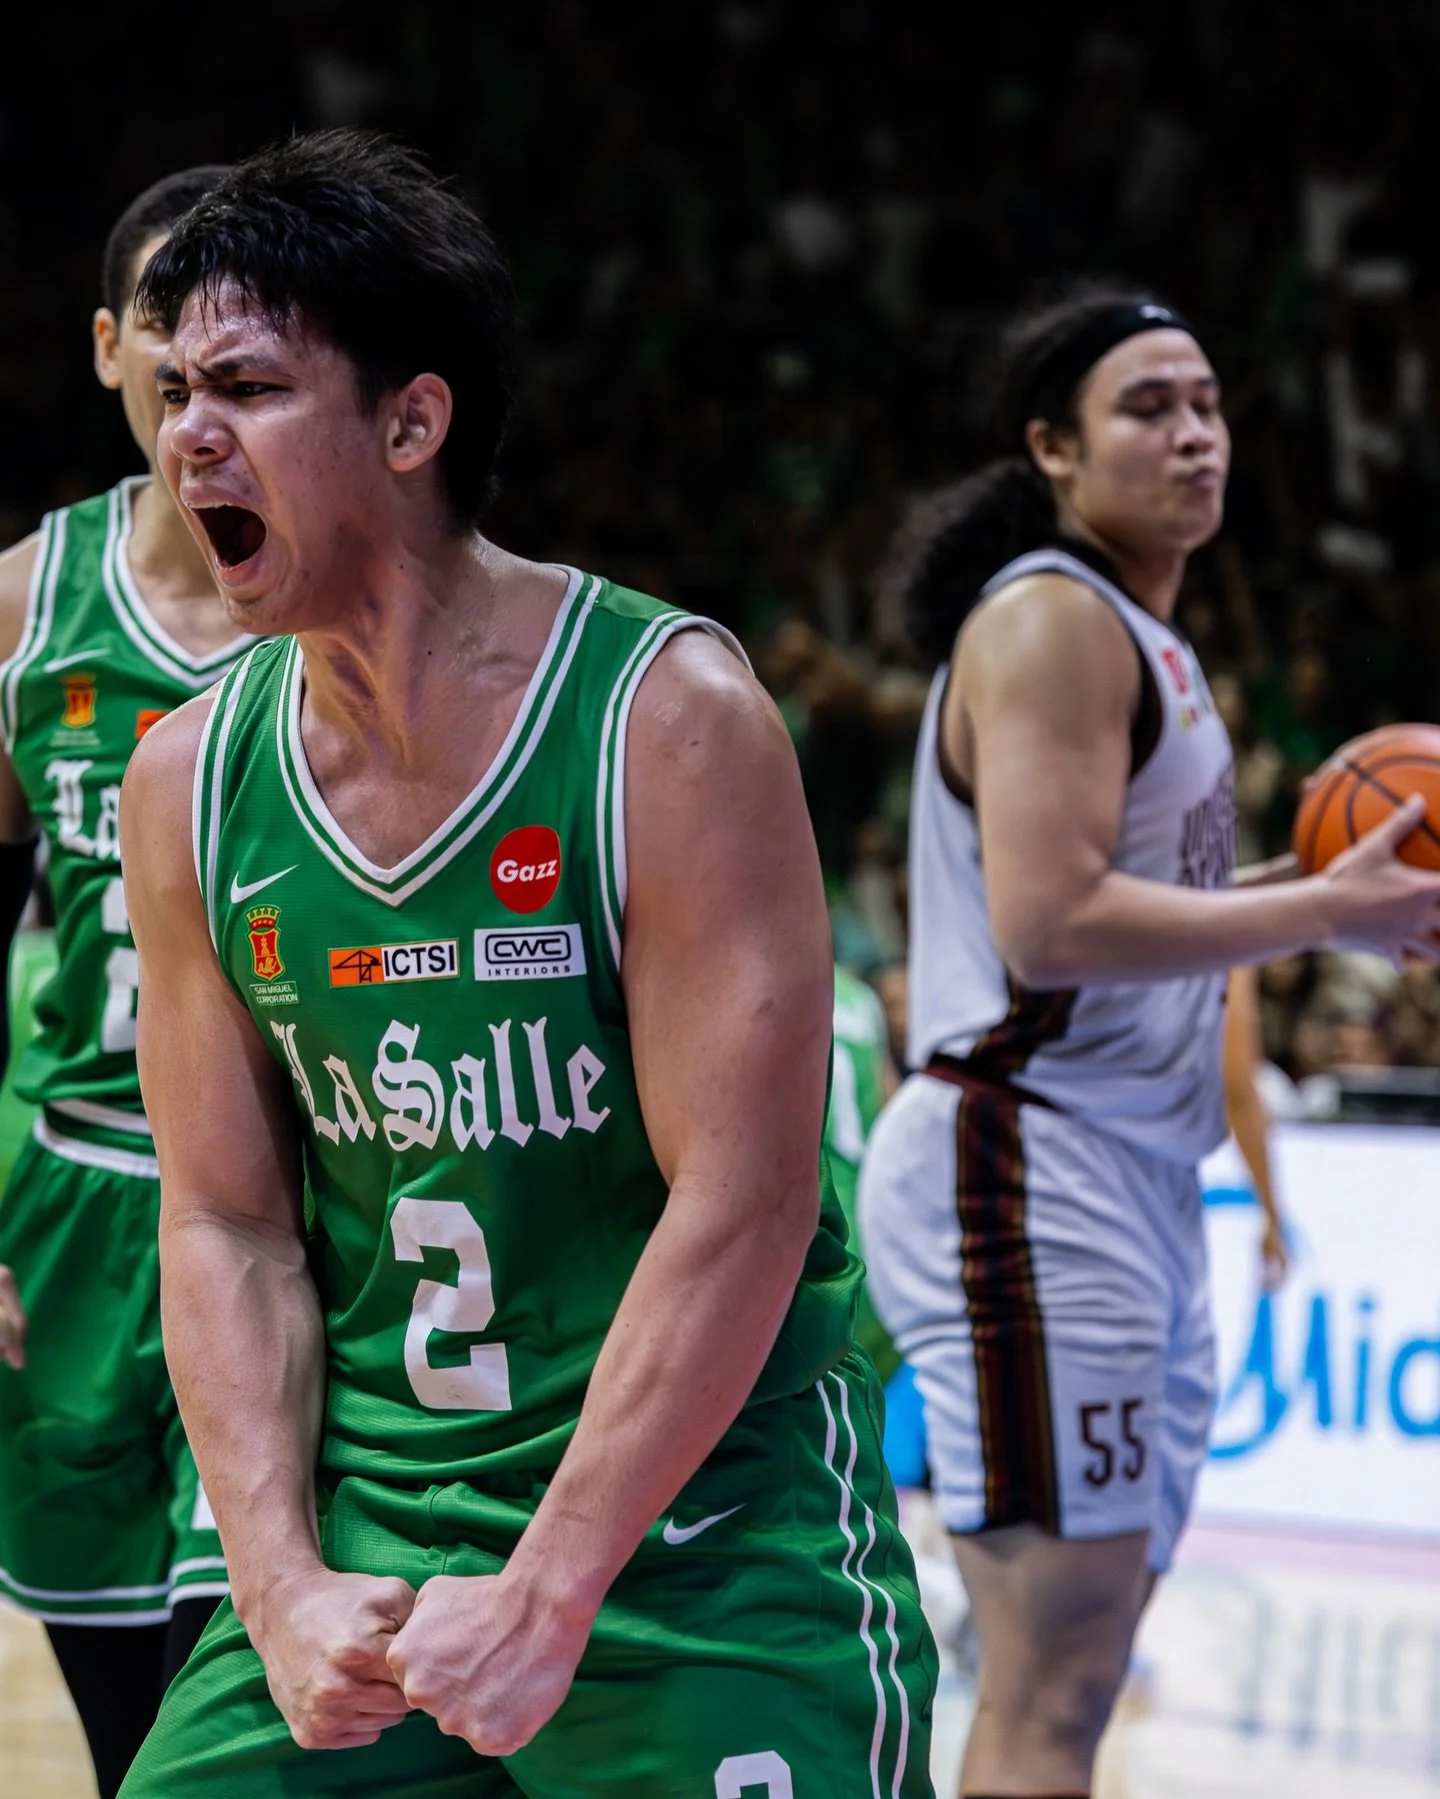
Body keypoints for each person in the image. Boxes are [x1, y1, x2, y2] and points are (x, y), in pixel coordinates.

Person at [115, 130, 937, 1797]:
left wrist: (552, 1586)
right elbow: (220, 1218)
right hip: (375, 1554)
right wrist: (272, 1584)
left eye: (247, 387)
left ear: (413, 422)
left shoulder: (666, 719)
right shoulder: (185, 780)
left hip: (698, 1547)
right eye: (171, 383)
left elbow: (747, 1202)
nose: (185, 430)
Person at [857, 284, 1440, 1799]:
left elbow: (1139, 904)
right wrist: (1320, 897)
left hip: (1120, 1166)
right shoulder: (1052, 619)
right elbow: (1051, 925)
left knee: (1089, 1663)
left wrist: (1326, 909)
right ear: (1053, 447)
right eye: (1149, 406)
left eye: (1209, 404)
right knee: (1052, 1681)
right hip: (1024, 1152)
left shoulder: (1142, 638)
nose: (1195, 435)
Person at [0, 167, 243, 1797]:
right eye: (166, 316)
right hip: (74, 1201)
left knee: (246, 1717)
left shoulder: (349, 611)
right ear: (109, 346)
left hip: (290, 1212)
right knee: (117, 1740)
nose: (195, 357)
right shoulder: (24, 602)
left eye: (243, 333)